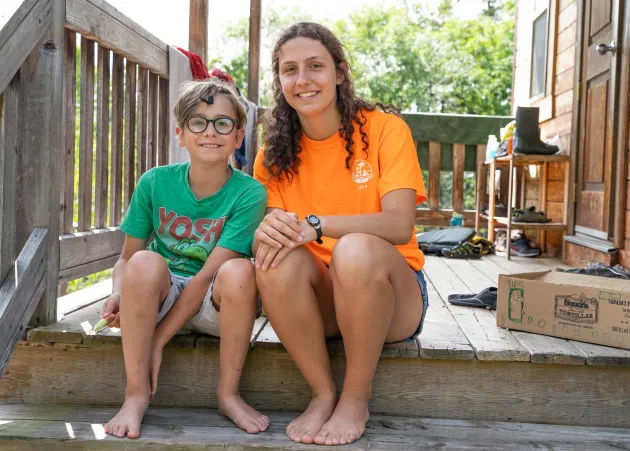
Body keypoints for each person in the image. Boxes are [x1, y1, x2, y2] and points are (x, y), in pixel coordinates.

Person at [253, 22, 428, 446]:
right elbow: (272, 239)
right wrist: (264, 230)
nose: (303, 80)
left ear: (340, 72)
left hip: (390, 297)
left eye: (315, 66)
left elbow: (399, 224)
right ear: (279, 81)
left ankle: (355, 398)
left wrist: (316, 224)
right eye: (289, 69)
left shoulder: (385, 129)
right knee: (273, 257)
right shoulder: (271, 156)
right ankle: (321, 392)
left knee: (354, 251)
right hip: (320, 304)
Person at [101, 78, 269, 439]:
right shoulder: (154, 182)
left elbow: (207, 277)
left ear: (238, 136)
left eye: (223, 123)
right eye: (198, 122)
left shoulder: (250, 193)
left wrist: (160, 339)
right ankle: (135, 394)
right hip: (160, 296)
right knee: (144, 262)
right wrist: (118, 291)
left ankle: (228, 394)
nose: (211, 132)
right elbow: (126, 258)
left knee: (240, 270)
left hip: (214, 302)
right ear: (180, 133)